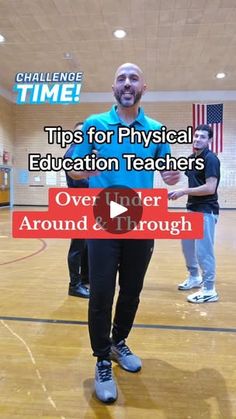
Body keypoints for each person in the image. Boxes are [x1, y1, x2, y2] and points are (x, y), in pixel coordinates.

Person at [69, 63, 180, 403]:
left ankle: (118, 343)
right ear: (113, 88)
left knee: (131, 291)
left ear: (143, 87)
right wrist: (82, 168)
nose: (127, 83)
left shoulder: (157, 130)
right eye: (121, 78)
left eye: (133, 78)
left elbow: (168, 167)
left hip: (141, 223)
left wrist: (173, 175)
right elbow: (73, 168)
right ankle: (101, 357)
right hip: (103, 222)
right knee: (102, 292)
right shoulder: (94, 125)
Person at [169, 124, 220, 304]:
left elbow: (210, 187)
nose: (198, 139)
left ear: (209, 140)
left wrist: (183, 191)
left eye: (202, 137)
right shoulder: (192, 158)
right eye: (196, 135)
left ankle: (209, 289)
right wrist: (176, 188)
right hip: (192, 208)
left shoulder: (211, 159)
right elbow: (189, 180)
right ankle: (194, 277)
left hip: (206, 210)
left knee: (204, 251)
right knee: (188, 247)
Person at [64, 122, 90, 299]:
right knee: (78, 246)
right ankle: (74, 285)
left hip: (86, 203)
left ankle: (85, 279)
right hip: (77, 204)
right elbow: (81, 181)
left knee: (86, 245)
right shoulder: (73, 153)